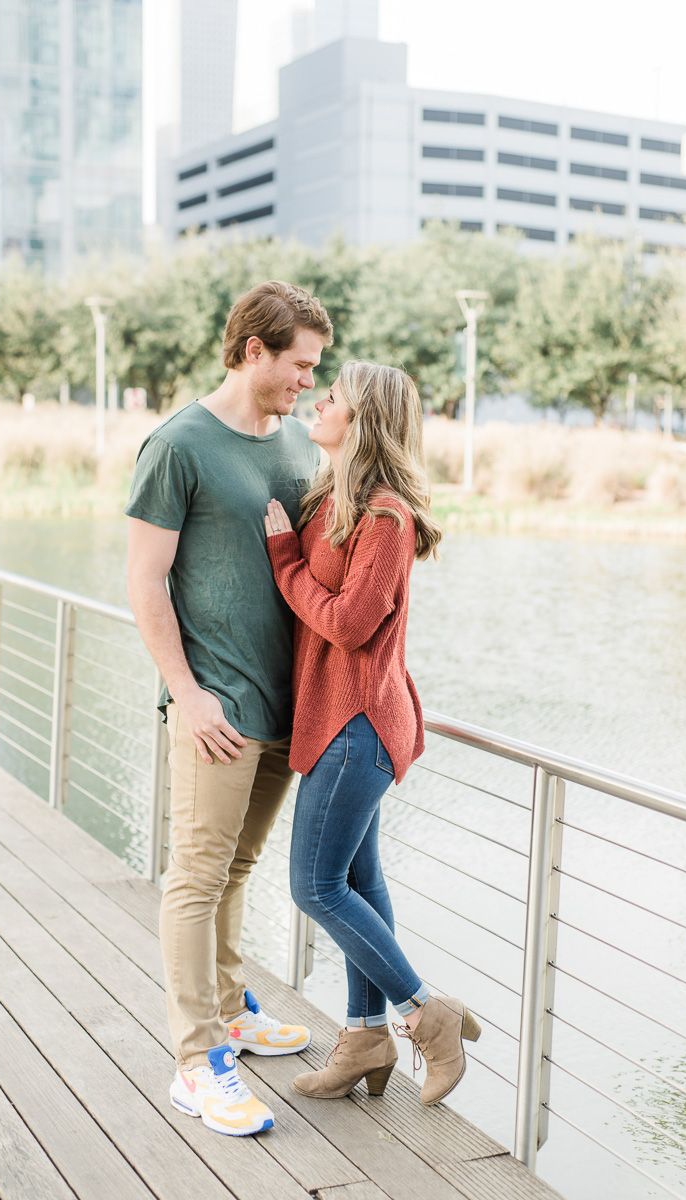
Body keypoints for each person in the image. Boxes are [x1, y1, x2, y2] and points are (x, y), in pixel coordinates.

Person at [126, 280, 333, 1137]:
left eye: (315, 369)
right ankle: (195, 1061)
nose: (307, 384)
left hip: (291, 708)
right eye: (298, 365)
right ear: (253, 350)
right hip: (218, 707)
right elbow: (144, 582)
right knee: (196, 877)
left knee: (238, 870)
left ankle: (230, 1010)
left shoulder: (293, 443)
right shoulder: (179, 444)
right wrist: (187, 691)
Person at [264, 360, 481, 1106]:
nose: (318, 402)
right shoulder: (332, 501)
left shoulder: (385, 516)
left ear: (361, 422)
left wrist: (283, 560)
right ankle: (362, 1040)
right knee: (357, 882)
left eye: (333, 398)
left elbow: (351, 624)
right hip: (339, 720)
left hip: (358, 724)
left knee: (313, 884)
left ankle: (423, 1012)